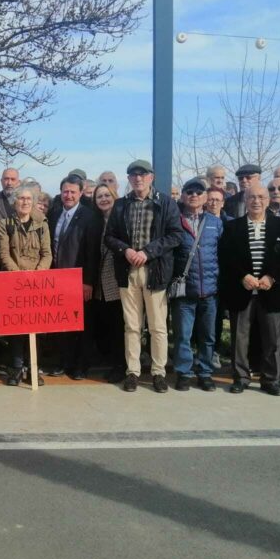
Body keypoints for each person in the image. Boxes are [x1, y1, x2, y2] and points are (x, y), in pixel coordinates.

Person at [104, 160, 182, 393]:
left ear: (151, 177)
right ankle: (133, 372)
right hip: (128, 272)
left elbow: (175, 235)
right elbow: (110, 236)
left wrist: (148, 252)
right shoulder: (120, 205)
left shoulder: (165, 203)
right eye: (133, 175)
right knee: (132, 326)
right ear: (128, 179)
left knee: (158, 326)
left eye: (143, 174)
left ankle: (159, 372)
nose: (138, 178)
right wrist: (125, 250)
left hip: (155, 270)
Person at [218, 182, 280, 395]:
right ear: (245, 200)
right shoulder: (233, 227)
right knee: (240, 339)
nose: (256, 201)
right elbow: (226, 256)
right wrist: (243, 276)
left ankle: (271, 380)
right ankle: (241, 377)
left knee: (272, 339)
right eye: (251, 197)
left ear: (268, 200)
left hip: (271, 291)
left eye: (261, 197)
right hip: (242, 291)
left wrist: (272, 277)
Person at [170, 178, 224, 392]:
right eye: (189, 192)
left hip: (210, 291)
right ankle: (183, 373)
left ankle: (205, 372)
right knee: (183, 336)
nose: (194, 195)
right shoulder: (174, 221)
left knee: (207, 336)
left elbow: (222, 253)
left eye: (198, 192)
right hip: (185, 291)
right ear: (182, 196)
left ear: (205, 197)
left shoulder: (215, 222)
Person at [0, 186, 52, 385]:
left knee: (36, 329)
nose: (25, 202)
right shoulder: (5, 224)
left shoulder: (42, 224)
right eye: (21, 198)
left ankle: (34, 370)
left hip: (37, 283)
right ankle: (16, 369)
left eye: (29, 198)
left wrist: (38, 274)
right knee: (16, 330)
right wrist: (18, 275)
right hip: (14, 282)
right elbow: (3, 254)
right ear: (14, 201)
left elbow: (47, 254)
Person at [45, 174, 96, 379]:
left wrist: (88, 282)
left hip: (79, 279)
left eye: (73, 192)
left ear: (81, 193)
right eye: (65, 191)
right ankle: (62, 362)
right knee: (60, 324)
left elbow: (92, 252)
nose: (68, 195)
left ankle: (80, 366)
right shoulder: (55, 213)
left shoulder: (89, 216)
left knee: (81, 325)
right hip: (57, 278)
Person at [86, 183, 126, 383]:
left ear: (114, 196)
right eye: (99, 196)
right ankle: (111, 361)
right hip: (100, 281)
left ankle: (121, 365)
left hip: (118, 280)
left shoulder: (122, 219)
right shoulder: (97, 221)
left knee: (119, 325)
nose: (103, 199)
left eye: (106, 195)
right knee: (107, 325)